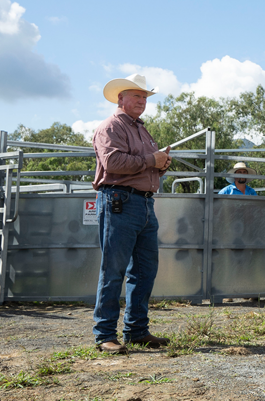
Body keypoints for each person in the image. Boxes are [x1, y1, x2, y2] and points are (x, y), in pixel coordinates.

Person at [92, 74, 172, 354]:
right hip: (120, 201)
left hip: (142, 203)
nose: (141, 101)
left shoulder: (141, 130)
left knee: (144, 270)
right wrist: (153, 159)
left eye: (145, 97)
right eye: (136, 96)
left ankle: (136, 331)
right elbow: (113, 161)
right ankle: (104, 334)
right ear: (120, 98)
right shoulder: (111, 127)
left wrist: (161, 165)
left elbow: (140, 165)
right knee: (113, 270)